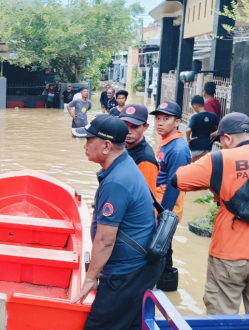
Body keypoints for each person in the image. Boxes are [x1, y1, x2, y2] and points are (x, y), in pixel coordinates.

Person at [173, 113, 249, 315]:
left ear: (227, 138)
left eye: (221, 141)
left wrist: (217, 187)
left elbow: (177, 180)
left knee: (221, 319)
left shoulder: (220, 159)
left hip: (229, 253)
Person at [71, 115, 162, 330]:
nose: (85, 146)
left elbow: (105, 240)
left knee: (99, 325)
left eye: (88, 140)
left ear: (106, 146)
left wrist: (91, 278)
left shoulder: (116, 182)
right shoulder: (125, 164)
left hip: (126, 275)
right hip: (140, 268)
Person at [150, 101, 191, 291]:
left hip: (167, 205)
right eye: (158, 118)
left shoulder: (178, 149)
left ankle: (166, 288)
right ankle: (164, 288)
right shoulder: (167, 141)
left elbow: (175, 185)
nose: (160, 122)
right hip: (159, 201)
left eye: (166, 119)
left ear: (177, 122)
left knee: (162, 246)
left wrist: (163, 217)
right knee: (163, 247)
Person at [119, 103, 158, 194]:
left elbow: (148, 198)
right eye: (125, 125)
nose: (128, 131)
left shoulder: (145, 160)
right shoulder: (123, 146)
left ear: (145, 127)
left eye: (135, 126)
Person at [187, 95, 220, 162]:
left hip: (195, 146)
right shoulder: (212, 115)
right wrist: (212, 134)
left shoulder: (195, 117)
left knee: (192, 166)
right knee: (203, 166)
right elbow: (223, 126)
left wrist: (188, 139)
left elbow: (188, 130)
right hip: (207, 146)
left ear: (195, 106)